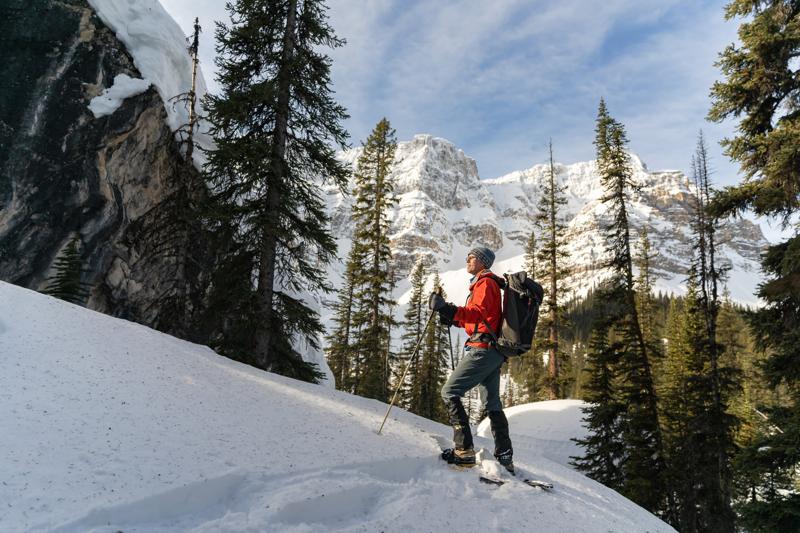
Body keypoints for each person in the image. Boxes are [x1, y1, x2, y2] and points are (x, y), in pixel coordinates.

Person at [429, 246, 513, 472]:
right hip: (493, 352)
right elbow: (479, 321)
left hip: (482, 351)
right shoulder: (485, 283)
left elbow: (477, 314)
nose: (467, 259)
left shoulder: (485, 283)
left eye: (472, 257)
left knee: (449, 391)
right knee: (492, 403)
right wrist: (452, 318)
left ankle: (463, 451)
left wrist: (448, 308)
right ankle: (505, 456)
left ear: (483, 262)